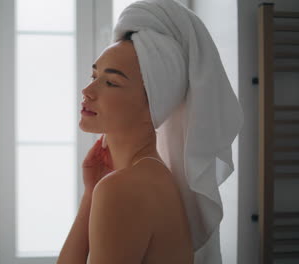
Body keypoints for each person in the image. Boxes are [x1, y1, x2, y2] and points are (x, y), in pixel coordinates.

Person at [58, 0, 244, 263]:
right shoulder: (149, 176)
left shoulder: (124, 189)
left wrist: (95, 193)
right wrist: (91, 191)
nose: (87, 91)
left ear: (153, 104)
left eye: (111, 82)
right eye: (93, 76)